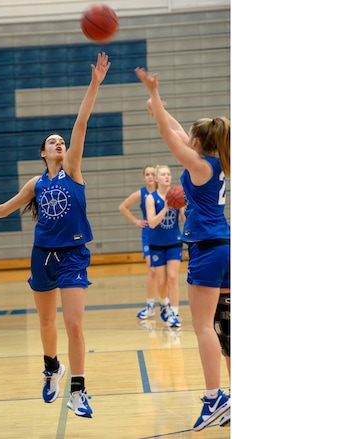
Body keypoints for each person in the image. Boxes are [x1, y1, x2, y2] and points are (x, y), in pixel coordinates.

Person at [0, 52, 111, 419]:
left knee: (74, 323)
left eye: (61, 141)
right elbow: (4, 208)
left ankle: (78, 390)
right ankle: (52, 368)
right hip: (42, 254)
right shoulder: (35, 183)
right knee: (46, 322)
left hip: (74, 255)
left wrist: (94, 84)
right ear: (43, 152)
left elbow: (81, 123)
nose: (59, 143)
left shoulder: (74, 171)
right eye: (52, 142)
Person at [135, 66, 231, 431]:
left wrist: (156, 96)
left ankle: (214, 399)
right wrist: (156, 103)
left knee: (203, 326)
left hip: (207, 249)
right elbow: (174, 128)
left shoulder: (197, 164)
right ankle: (233, 396)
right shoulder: (215, 160)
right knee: (226, 327)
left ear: (196, 143)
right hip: (226, 246)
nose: (184, 137)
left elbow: (167, 134)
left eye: (189, 137)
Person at [118, 165, 170, 323]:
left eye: (151, 174)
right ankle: (150, 306)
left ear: (156, 177)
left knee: (165, 275)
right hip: (149, 236)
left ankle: (164, 304)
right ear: (144, 177)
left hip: (165, 236)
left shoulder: (163, 193)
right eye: (146, 174)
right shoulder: (141, 194)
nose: (149, 177)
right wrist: (136, 221)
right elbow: (123, 207)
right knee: (153, 271)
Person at [145, 165, 185, 329]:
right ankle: (164, 303)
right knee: (162, 282)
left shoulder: (177, 196)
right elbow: (152, 223)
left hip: (174, 241)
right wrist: (167, 207)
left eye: (168, 174)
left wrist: (184, 207)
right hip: (156, 244)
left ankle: (174, 313)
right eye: (163, 174)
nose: (167, 177)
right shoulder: (151, 198)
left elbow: (183, 219)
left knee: (173, 277)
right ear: (156, 179)